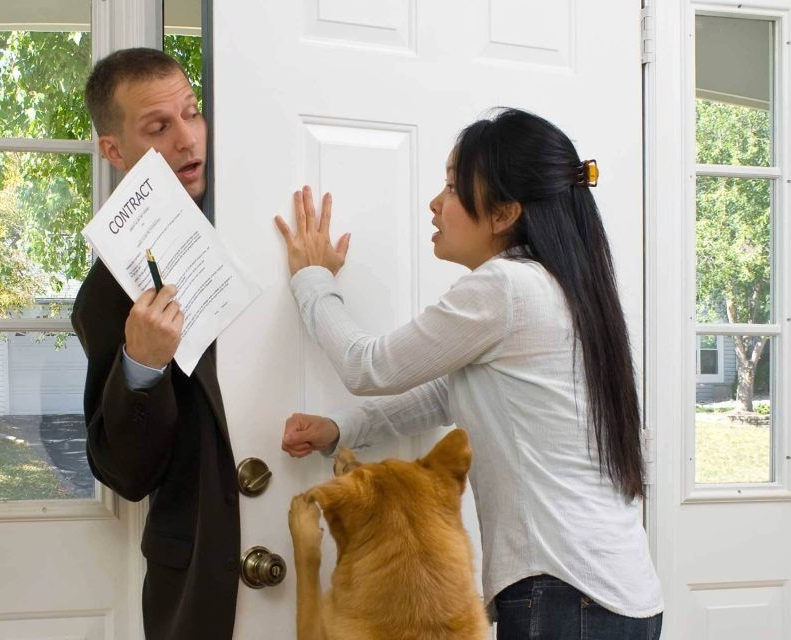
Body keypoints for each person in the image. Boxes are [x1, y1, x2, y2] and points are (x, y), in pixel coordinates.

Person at [274, 108, 664, 639]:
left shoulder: (506, 288)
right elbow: (454, 394)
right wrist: (344, 430)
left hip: (565, 595)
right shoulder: (565, 287)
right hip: (620, 597)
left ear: (503, 212)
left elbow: (367, 365)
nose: (437, 203)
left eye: (454, 187)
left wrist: (312, 280)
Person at [72, 48, 239, 640]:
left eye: (192, 114)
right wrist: (141, 364)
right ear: (114, 151)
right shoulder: (105, 295)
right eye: (159, 127)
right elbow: (124, 472)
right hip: (198, 574)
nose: (189, 140)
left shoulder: (257, 223)